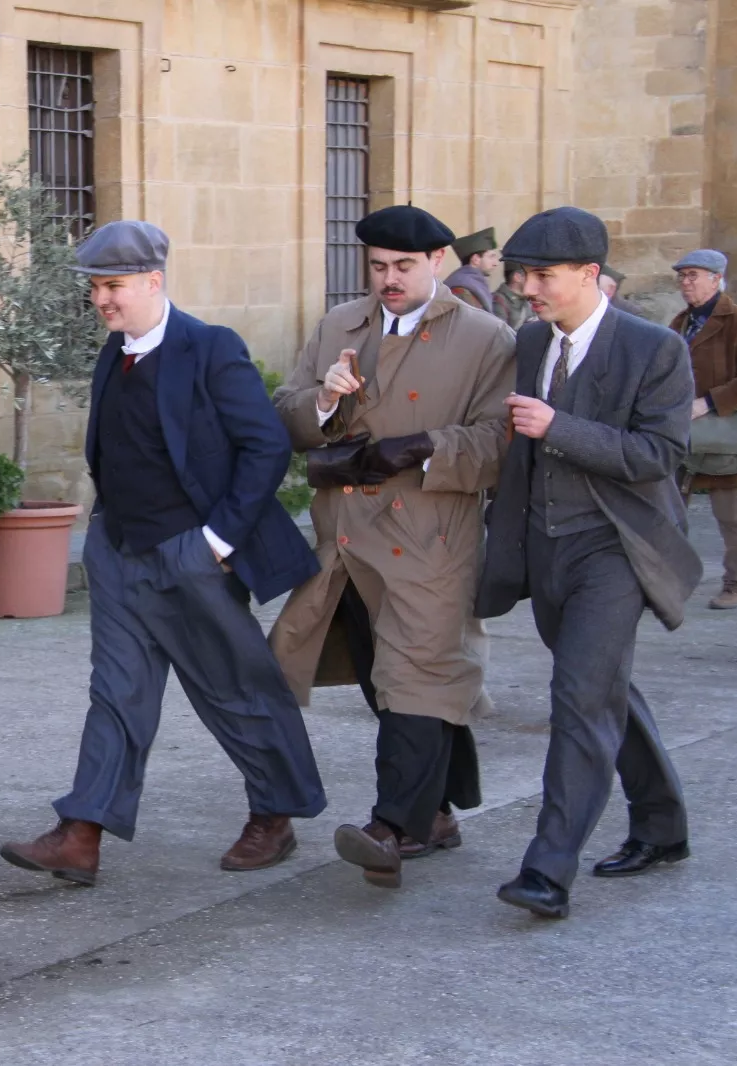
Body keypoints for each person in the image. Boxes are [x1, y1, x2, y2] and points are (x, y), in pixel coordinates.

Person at [0, 220, 327, 887]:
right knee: (116, 692)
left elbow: (265, 445)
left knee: (233, 689)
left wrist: (216, 542)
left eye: (113, 286)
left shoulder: (210, 349)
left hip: (189, 552)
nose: (102, 301)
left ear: (154, 280)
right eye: (95, 288)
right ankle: (83, 831)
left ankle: (276, 812)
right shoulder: (113, 355)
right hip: (118, 551)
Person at [271, 205, 515, 890]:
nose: (389, 279)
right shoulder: (338, 326)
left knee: (417, 675)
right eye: (377, 266)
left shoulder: (485, 339)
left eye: (403, 267)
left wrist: (426, 447)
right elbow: (286, 411)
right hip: (345, 540)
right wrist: (323, 401)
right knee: (393, 679)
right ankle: (435, 811)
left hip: (430, 538)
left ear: (438, 261)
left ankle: (393, 825)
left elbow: (500, 441)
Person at [477, 207, 700, 920]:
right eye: (521, 274)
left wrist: (559, 428)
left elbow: (660, 456)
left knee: (578, 700)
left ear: (589, 274)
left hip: (617, 548)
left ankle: (547, 870)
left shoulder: (653, 348)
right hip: (547, 549)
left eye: (541, 275)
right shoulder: (531, 339)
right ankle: (662, 825)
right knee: (601, 688)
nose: (527, 287)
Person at [670, 250, 737, 609]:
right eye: (682, 276)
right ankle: (669, 584)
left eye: (693, 275)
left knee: (731, 517)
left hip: (723, 436)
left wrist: (710, 402)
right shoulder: (680, 323)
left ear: (716, 279)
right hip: (681, 434)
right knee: (669, 512)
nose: (686, 282)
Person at [445, 227, 500, 314]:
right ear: (476, 259)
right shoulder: (461, 289)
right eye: (491, 257)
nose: (496, 263)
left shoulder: (472, 283)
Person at [493, 262, 535, 330]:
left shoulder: (530, 299)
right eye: (530, 275)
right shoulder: (499, 300)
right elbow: (500, 333)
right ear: (517, 277)